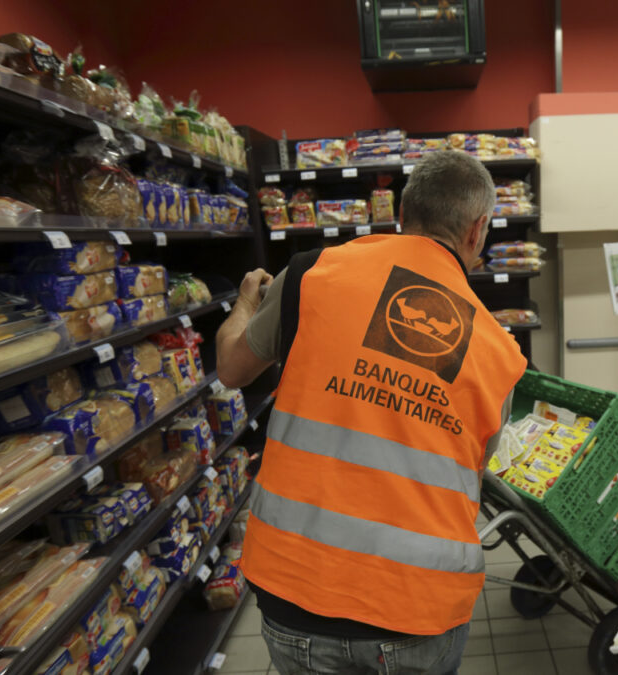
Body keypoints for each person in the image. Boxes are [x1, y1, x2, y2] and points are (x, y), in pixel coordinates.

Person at [216, 150, 527, 675]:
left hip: (297, 589)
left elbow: (230, 368)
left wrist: (246, 302)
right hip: (419, 606)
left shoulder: (310, 274)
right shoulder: (501, 353)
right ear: (477, 231)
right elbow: (468, 469)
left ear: (401, 215)